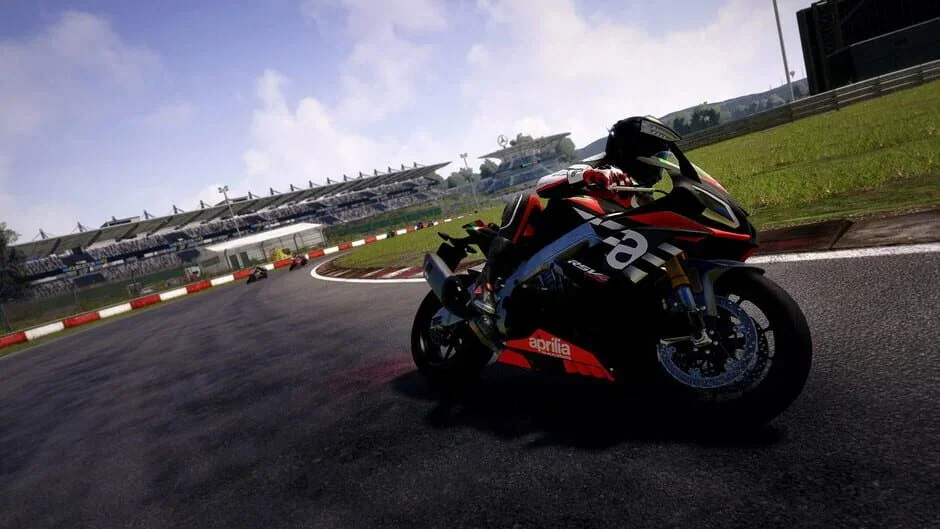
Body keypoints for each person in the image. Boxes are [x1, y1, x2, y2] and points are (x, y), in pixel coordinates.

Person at [471, 116, 678, 316]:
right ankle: (485, 282)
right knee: (526, 200)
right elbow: (543, 185)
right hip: (549, 236)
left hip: (593, 258)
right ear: (635, 150)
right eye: (657, 157)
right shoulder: (597, 163)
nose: (660, 165)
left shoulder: (643, 195)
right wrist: (590, 176)